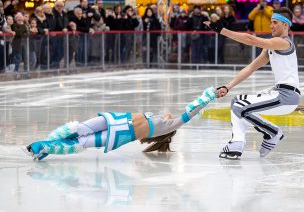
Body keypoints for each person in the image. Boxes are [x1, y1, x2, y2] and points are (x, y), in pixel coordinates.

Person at [204, 7, 301, 159]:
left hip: (286, 96)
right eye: (271, 22)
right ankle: (237, 142)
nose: (271, 26)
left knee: (239, 107)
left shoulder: (284, 43)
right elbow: (251, 67)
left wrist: (223, 31)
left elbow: (251, 40)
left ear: (285, 25)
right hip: (279, 94)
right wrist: (227, 86)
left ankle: (272, 132)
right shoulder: (271, 47)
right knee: (237, 102)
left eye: (274, 22)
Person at [24, 86, 219, 161]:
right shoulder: (157, 117)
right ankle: (46, 148)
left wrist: (207, 98)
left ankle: (38, 147)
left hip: (119, 135)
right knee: (78, 129)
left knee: (80, 142)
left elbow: (189, 114)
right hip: (115, 119)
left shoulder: (169, 125)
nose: (170, 113)